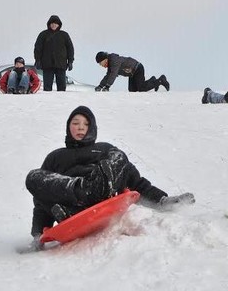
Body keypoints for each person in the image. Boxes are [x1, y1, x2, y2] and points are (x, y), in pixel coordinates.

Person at [24, 105, 195, 251]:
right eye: (75, 123)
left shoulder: (104, 148)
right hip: (69, 204)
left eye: (86, 124)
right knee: (34, 177)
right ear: (68, 127)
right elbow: (41, 198)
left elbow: (134, 180)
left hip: (102, 194)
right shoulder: (55, 157)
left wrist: (161, 200)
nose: (80, 127)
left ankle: (94, 189)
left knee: (118, 156)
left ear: (93, 128)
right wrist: (38, 234)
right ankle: (80, 196)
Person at [33, 15, 74, 91]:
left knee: (62, 87)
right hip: (47, 64)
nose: (54, 25)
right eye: (52, 23)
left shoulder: (64, 35)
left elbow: (70, 49)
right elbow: (37, 48)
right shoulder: (43, 34)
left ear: (59, 25)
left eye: (55, 23)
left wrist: (70, 61)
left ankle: (62, 102)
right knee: (47, 87)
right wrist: (37, 60)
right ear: (49, 24)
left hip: (61, 64)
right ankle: (47, 102)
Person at [94, 51, 170, 92]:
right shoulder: (111, 63)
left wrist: (107, 86)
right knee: (132, 91)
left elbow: (113, 74)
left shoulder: (114, 61)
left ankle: (160, 80)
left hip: (137, 69)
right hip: (131, 74)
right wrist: (101, 86)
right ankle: (153, 80)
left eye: (101, 63)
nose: (101, 65)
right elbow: (108, 75)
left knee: (141, 88)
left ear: (105, 59)